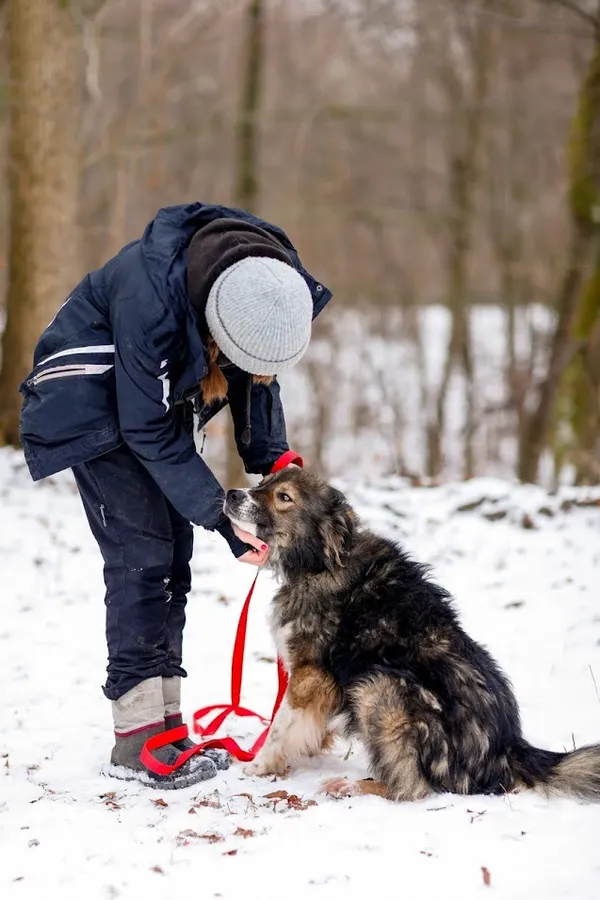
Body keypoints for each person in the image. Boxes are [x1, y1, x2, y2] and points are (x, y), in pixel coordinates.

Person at [19, 202, 332, 788]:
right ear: (216, 329)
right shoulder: (150, 301)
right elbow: (144, 428)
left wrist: (275, 463)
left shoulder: (271, 289)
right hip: (88, 399)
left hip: (150, 399)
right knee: (142, 556)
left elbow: (256, 379)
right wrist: (220, 515)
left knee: (174, 558)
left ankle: (166, 726)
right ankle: (137, 739)